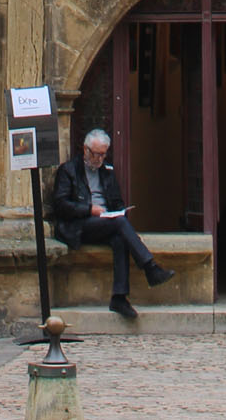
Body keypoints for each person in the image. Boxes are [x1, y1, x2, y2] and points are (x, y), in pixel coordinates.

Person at [51, 128, 173, 320]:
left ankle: (119, 298)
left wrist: (119, 211)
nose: (99, 159)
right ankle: (150, 268)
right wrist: (89, 209)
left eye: (103, 154)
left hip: (107, 222)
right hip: (78, 226)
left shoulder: (107, 171)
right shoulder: (68, 171)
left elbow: (116, 201)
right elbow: (60, 205)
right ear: (85, 150)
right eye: (96, 154)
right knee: (119, 225)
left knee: (120, 238)